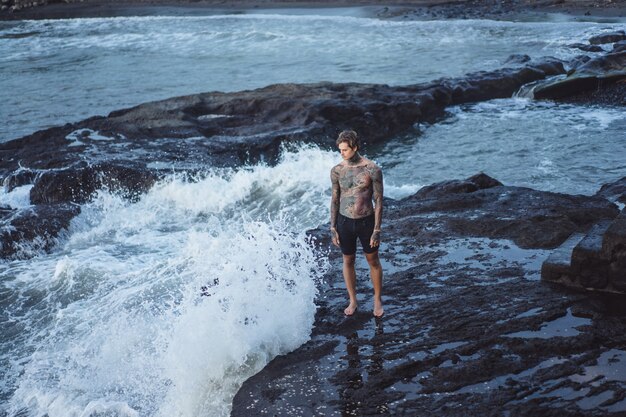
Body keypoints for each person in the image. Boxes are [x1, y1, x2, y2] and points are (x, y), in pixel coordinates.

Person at [330, 130, 384, 318]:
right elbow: (335, 199)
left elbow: (379, 200)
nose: (342, 153)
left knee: (373, 261)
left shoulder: (372, 169)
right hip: (344, 222)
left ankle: (377, 299)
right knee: (348, 260)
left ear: (355, 147)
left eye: (345, 150)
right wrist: (333, 227)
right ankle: (353, 300)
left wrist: (377, 229)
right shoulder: (337, 170)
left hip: (366, 222)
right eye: (340, 150)